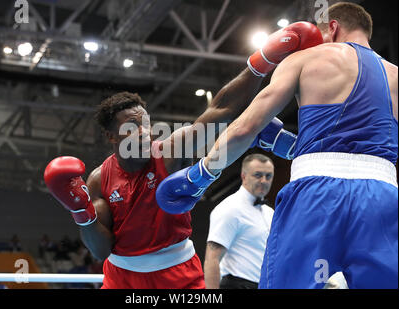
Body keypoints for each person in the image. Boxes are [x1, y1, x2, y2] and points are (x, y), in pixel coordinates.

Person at [44, 22, 323, 289]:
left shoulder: (169, 151)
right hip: (122, 277)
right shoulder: (98, 180)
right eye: (132, 126)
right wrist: (80, 211)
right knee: (100, 220)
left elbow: (221, 109)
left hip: (178, 273)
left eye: (146, 123)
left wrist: (260, 62)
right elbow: (100, 251)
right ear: (112, 136)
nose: (143, 132)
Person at [156, 2, 398, 289]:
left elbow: (244, 128)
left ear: (332, 27)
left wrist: (202, 173)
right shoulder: (395, 75)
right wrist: (294, 147)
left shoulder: (307, 58)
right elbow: (356, 147)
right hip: (383, 198)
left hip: (316, 195)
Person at [204, 154, 275, 289]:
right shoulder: (230, 208)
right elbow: (211, 260)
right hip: (237, 285)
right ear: (244, 176)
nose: (264, 181)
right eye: (258, 175)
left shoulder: (269, 212)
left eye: (268, 176)